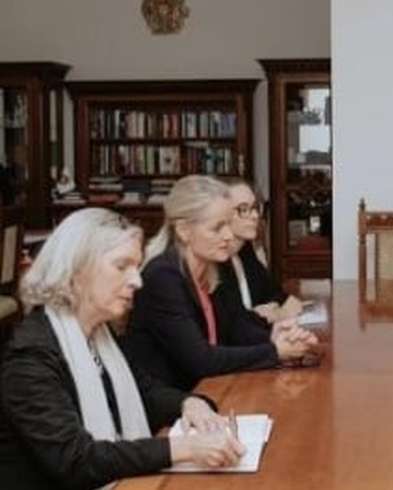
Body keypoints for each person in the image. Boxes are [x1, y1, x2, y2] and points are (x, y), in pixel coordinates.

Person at [0, 208, 245, 489]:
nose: (137, 281)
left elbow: (146, 392)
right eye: (121, 266)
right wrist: (183, 448)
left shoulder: (100, 333)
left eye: (136, 267)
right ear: (76, 270)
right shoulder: (30, 357)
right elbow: (76, 460)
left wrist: (190, 404)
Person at [121, 175, 317, 391]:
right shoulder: (163, 277)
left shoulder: (211, 268)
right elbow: (201, 359)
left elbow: (236, 327)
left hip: (210, 388)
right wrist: (276, 351)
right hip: (176, 401)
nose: (228, 235)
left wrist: (275, 334)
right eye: (217, 228)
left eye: (228, 224)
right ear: (184, 230)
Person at [224, 178, 303, 323]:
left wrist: (275, 310)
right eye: (244, 209)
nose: (255, 216)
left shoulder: (244, 249)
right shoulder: (215, 258)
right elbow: (232, 322)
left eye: (255, 207)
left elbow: (277, 295)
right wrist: (268, 315)